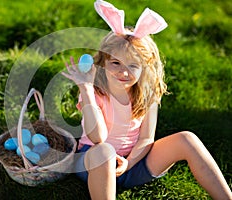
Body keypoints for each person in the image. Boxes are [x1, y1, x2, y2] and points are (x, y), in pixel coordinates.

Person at [61, 1, 232, 199]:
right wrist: (85, 88)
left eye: (133, 66)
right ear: (103, 62)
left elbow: (146, 139)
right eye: (115, 62)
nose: (123, 71)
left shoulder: (146, 94)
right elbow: (97, 138)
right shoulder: (95, 92)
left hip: (134, 164)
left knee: (187, 139)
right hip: (94, 165)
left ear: (144, 68)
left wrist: (129, 163)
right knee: (104, 151)